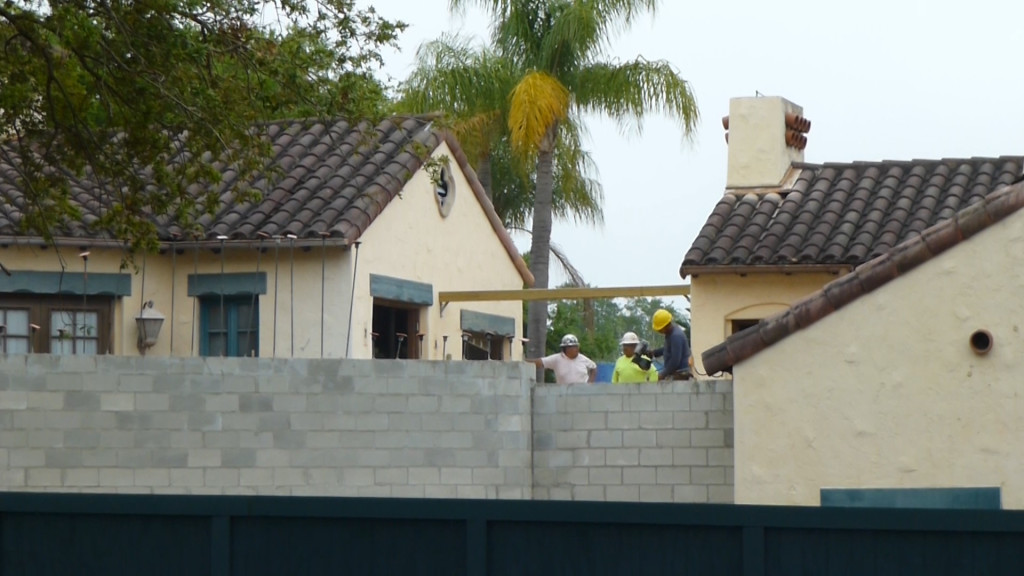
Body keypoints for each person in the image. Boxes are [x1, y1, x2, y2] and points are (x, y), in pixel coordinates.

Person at [527, 333, 597, 384]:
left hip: (582, 394)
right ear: (565, 348)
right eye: (572, 347)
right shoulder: (556, 359)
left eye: (576, 346)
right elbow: (540, 362)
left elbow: (593, 367)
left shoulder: (583, 359)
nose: (575, 349)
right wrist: (522, 362)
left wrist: (590, 383)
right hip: (564, 394)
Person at [649, 309, 692, 381]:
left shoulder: (676, 336)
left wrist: (663, 374)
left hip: (680, 375)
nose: (659, 331)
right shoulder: (670, 334)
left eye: (660, 329)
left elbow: (675, 360)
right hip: (676, 373)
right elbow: (669, 349)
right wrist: (655, 352)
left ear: (665, 326)